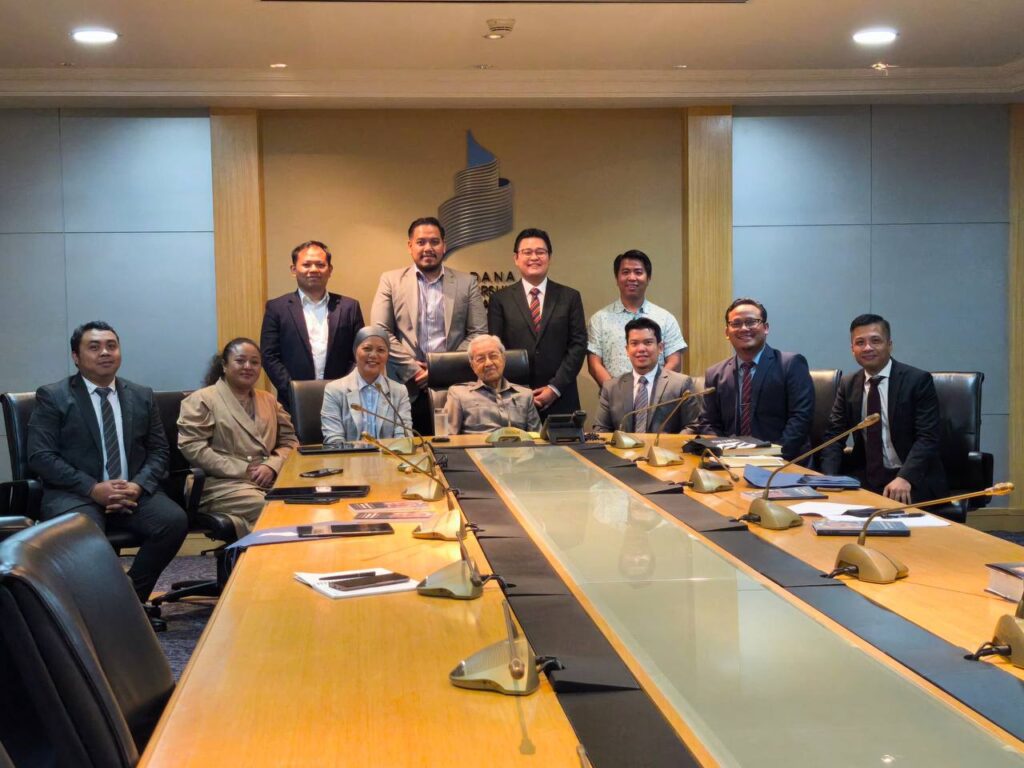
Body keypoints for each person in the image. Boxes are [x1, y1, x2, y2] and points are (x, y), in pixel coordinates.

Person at [27, 321, 188, 628]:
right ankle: (96, 612)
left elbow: (159, 451)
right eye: (94, 347)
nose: (105, 352)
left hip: (131, 492)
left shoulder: (141, 395)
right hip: (76, 494)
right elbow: (40, 457)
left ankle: (127, 602)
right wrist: (93, 488)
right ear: (76, 357)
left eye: (111, 346)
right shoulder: (53, 396)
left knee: (173, 521)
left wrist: (138, 486)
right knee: (84, 536)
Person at [370, 217, 487, 434]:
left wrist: (440, 369)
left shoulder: (466, 282)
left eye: (434, 242)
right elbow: (380, 331)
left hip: (454, 389)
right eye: (421, 242)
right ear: (410, 246)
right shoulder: (391, 281)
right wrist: (414, 369)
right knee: (407, 449)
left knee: (454, 449)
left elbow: (478, 333)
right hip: (405, 386)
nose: (428, 248)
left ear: (444, 245)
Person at [177, 338, 299, 538]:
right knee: (272, 508)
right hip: (219, 484)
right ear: (224, 366)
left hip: (268, 480)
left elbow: (290, 442)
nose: (248, 367)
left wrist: (272, 465)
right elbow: (193, 447)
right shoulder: (201, 399)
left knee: (308, 502)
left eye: (255, 362)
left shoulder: (268, 399)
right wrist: (245, 470)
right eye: (240, 361)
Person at [819, 314, 947, 503]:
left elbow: (928, 438)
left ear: (889, 344)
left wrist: (905, 477)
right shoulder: (848, 384)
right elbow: (834, 436)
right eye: (860, 342)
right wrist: (829, 478)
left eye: (875, 341)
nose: (867, 348)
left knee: (885, 515)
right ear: (852, 349)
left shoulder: (917, 381)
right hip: (867, 479)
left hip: (913, 478)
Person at [487, 227, 588, 418]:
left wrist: (554, 388)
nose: (534, 257)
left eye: (540, 252)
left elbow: (578, 345)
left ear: (549, 257)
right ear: (516, 258)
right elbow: (496, 349)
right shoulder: (500, 299)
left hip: (561, 398)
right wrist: (520, 392)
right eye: (527, 252)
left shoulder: (570, 297)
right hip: (513, 399)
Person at [696, 298, 814, 460]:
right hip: (729, 461)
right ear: (727, 333)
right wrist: (722, 454)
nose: (744, 328)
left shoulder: (791, 364)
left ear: (766, 328)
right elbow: (708, 423)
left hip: (783, 461)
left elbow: (800, 419)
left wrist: (771, 456)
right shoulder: (715, 374)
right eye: (736, 324)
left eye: (751, 322)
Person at [260, 240, 364, 412]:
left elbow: (359, 353)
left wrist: (344, 388)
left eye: (320, 265)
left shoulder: (349, 307)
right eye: (306, 264)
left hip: (343, 400)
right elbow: (269, 355)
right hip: (293, 402)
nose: (314, 269)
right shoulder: (277, 308)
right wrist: (294, 390)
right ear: (293, 269)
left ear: (330, 270)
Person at [587, 249, 687, 387]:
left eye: (638, 272)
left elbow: (675, 362)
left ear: (648, 278)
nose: (632, 278)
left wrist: (652, 390)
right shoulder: (599, 320)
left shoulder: (666, 319)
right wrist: (615, 392)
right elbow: (594, 364)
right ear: (617, 278)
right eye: (625, 272)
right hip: (614, 397)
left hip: (658, 397)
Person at [594, 318, 700, 433]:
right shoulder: (611, 388)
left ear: (660, 347)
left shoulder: (681, 384)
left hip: (665, 445)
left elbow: (693, 426)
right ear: (627, 350)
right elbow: (600, 429)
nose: (641, 349)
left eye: (648, 342)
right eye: (634, 343)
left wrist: (669, 443)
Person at [321, 327, 412, 443]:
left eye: (381, 350)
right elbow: (334, 440)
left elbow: (404, 438)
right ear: (355, 351)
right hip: (348, 455)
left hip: (389, 455)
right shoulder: (334, 390)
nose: (373, 355)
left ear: (387, 355)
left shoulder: (399, 391)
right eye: (367, 349)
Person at [445, 335, 541, 435]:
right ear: (472, 366)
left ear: (503, 359)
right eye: (481, 359)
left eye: (493, 356)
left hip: (518, 445)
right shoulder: (458, 394)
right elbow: (448, 438)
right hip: (477, 445)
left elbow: (538, 439)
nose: (488, 363)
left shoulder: (525, 395)